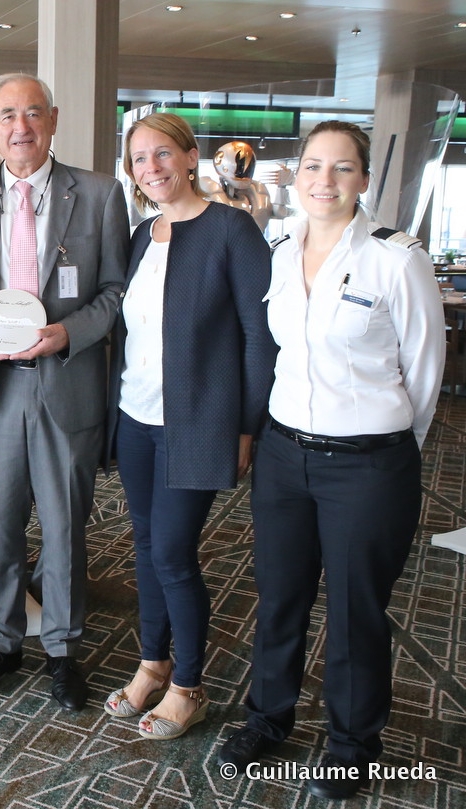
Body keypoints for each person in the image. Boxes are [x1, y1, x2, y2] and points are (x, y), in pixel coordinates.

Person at [217, 121, 444, 800]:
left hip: (369, 466)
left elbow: (425, 374)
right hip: (285, 456)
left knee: (355, 610)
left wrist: (387, 447)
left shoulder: (396, 259)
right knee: (280, 597)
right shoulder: (279, 249)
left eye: (342, 169)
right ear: (299, 173)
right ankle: (268, 718)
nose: (324, 181)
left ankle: (351, 742)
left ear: (365, 180)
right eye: (313, 166)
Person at [0, 73, 129, 709]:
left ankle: (63, 649)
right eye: (7, 116)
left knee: (65, 526)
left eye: (33, 113)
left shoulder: (100, 195)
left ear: (52, 121)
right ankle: (0, 643)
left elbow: (112, 294)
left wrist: (64, 334)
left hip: (64, 383)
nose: (21, 126)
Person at [103, 113, 275, 739]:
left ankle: (188, 685)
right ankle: (153, 664)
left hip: (198, 422)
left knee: (174, 554)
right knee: (146, 549)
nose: (151, 168)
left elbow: (261, 336)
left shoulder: (231, 229)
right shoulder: (142, 234)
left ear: (191, 155)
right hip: (136, 416)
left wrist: (247, 425)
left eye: (162, 154)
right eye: (139, 160)